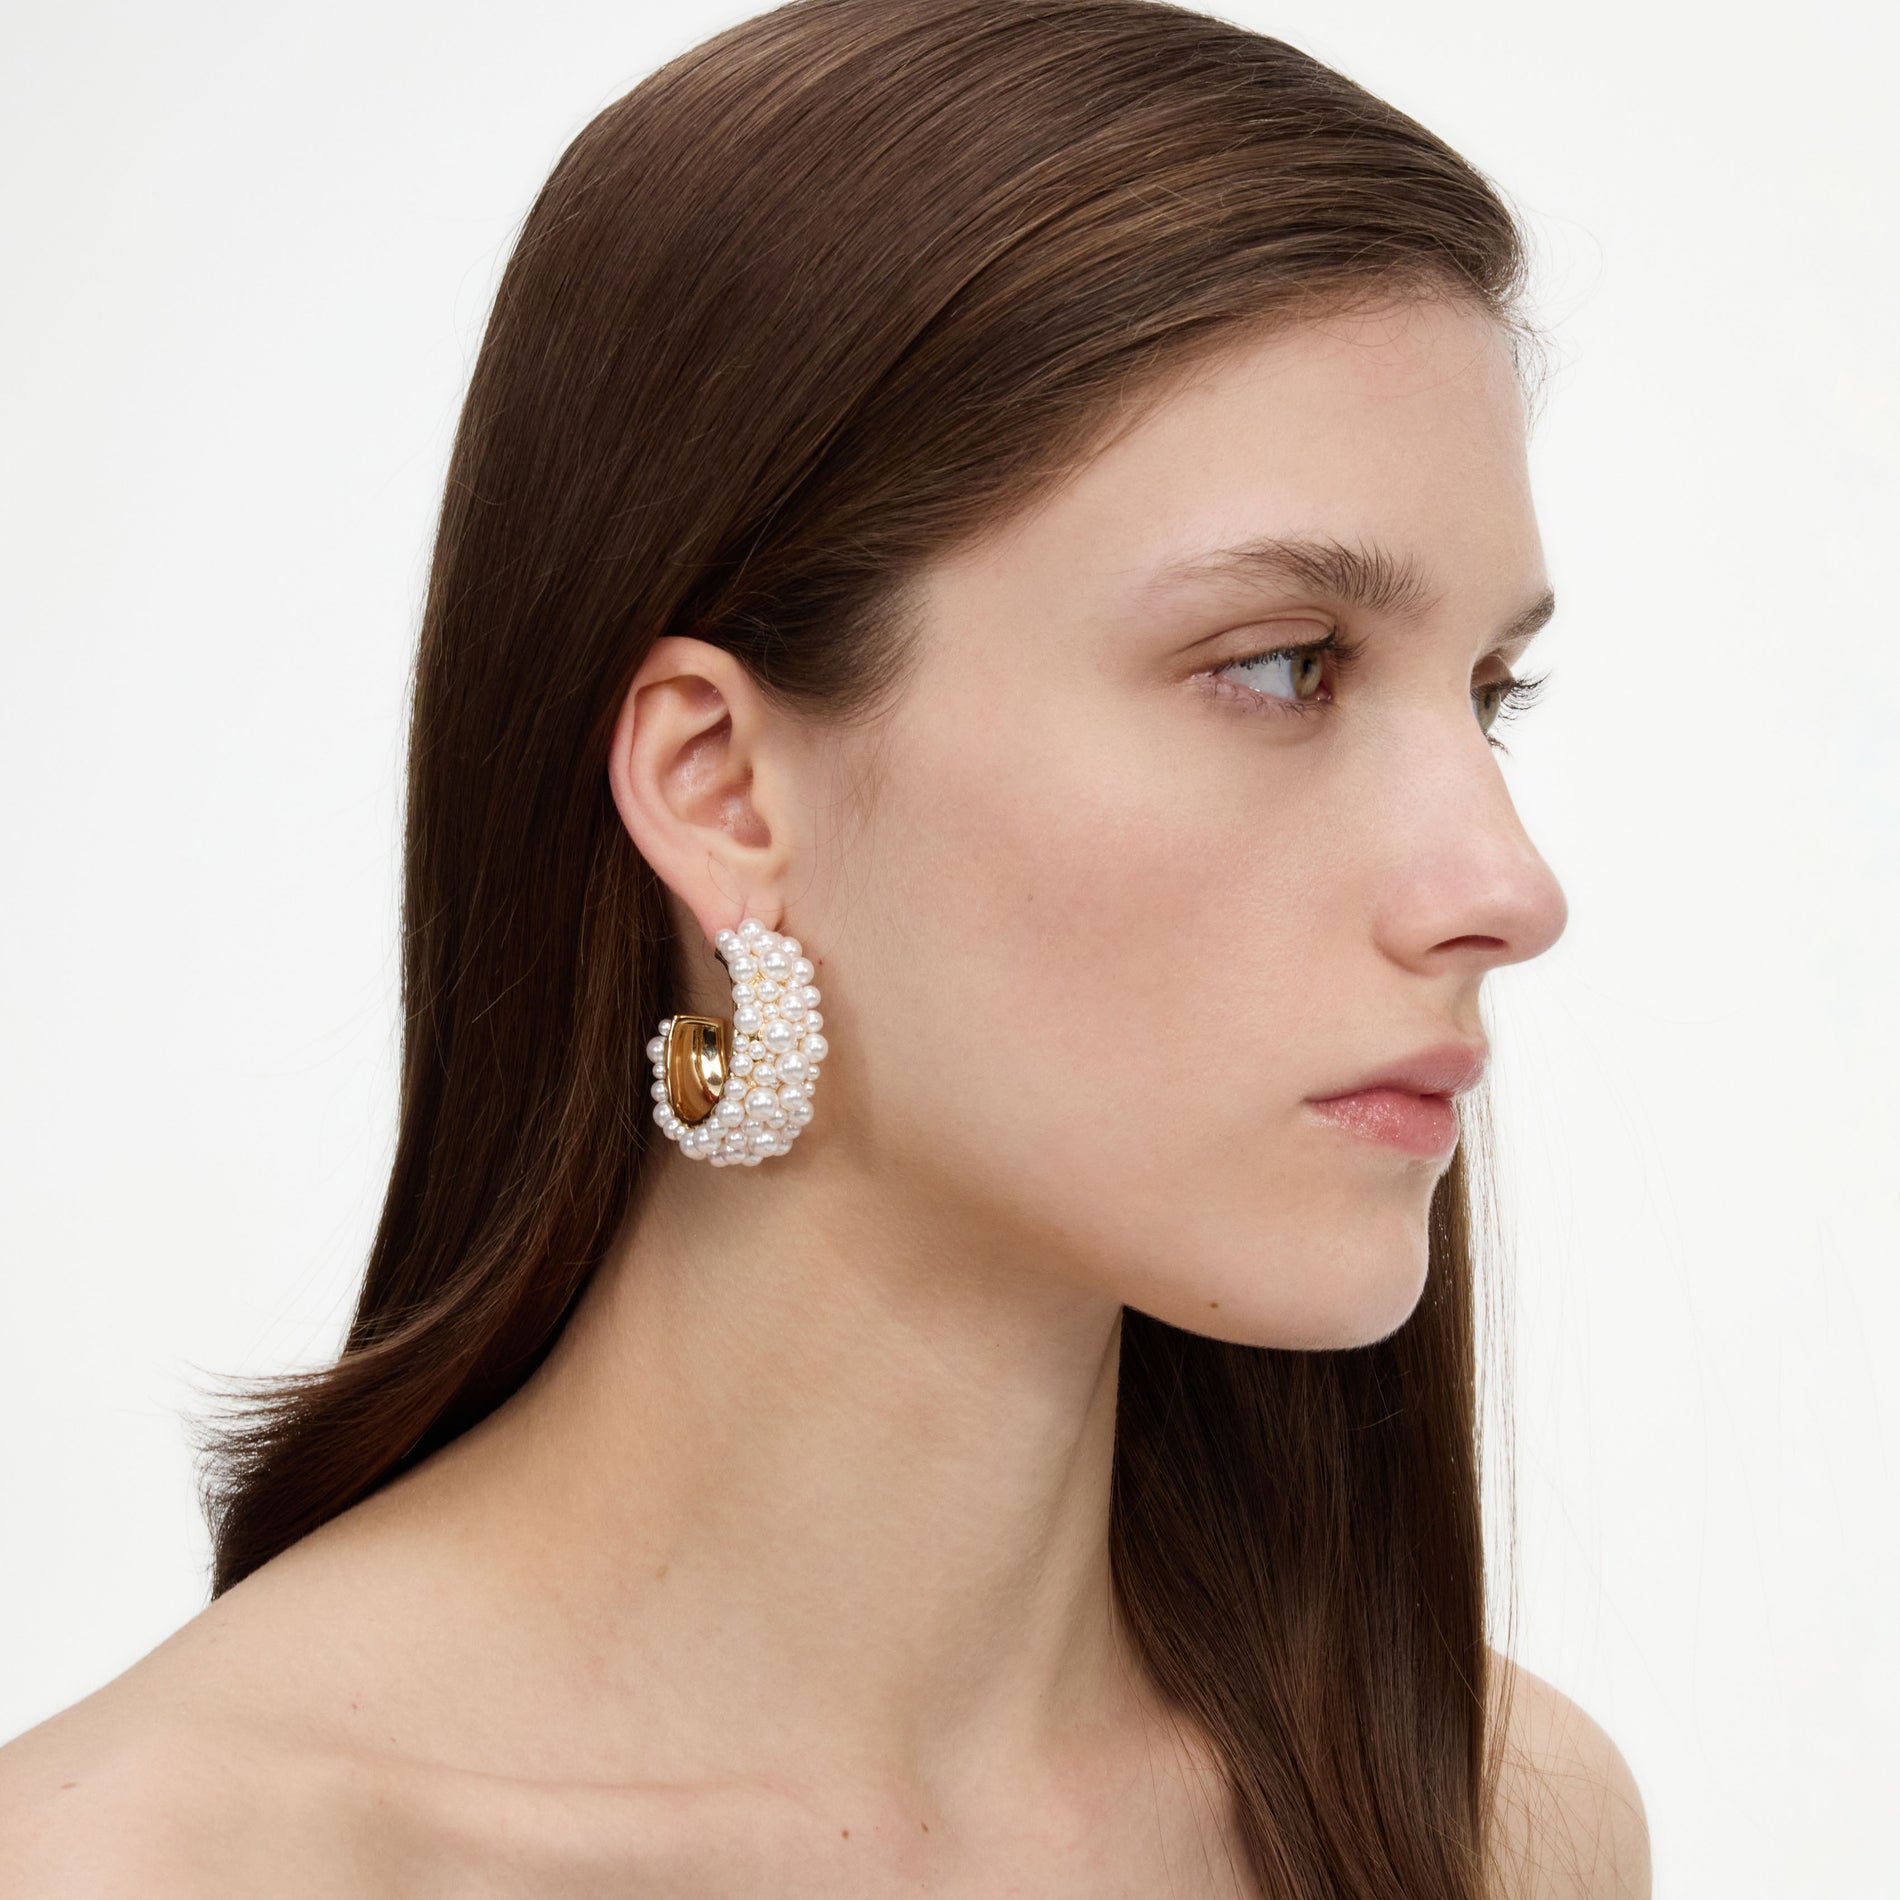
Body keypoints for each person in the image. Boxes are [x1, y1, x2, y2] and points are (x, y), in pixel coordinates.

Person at [0, 1, 1652, 1892]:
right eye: (1279, 667)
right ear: (721, 789)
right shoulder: (147, 1868)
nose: (1503, 887)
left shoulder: (1503, 1827)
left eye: (1491, 694)